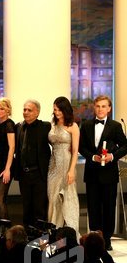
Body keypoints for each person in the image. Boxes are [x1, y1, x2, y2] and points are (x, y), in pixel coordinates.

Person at [78, 95, 127, 251]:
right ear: (94, 107)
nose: (100, 109)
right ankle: (95, 239)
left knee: (108, 207)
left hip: (109, 174)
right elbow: (81, 147)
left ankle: (106, 239)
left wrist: (112, 156)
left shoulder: (115, 126)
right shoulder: (85, 125)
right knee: (93, 207)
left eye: (104, 106)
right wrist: (93, 157)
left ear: (109, 108)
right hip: (92, 172)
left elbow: (125, 146)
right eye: (98, 106)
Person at [14, 99, 52, 229]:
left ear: (37, 113)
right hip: (24, 174)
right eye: (24, 109)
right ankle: (27, 237)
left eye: (29, 110)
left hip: (39, 174)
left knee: (39, 208)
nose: (26, 112)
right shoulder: (18, 127)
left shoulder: (45, 126)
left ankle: (40, 238)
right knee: (26, 207)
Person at [47, 96, 80, 234]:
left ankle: (71, 233)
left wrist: (71, 170)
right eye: (55, 110)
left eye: (60, 110)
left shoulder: (73, 126)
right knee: (52, 198)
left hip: (67, 165)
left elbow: (75, 151)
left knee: (67, 199)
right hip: (53, 165)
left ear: (65, 110)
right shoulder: (52, 124)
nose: (57, 112)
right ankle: (53, 231)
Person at [0, 97, 16, 227]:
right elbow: (2, 143)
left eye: (2, 108)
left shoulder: (9, 124)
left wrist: (7, 169)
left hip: (7, 165)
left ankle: (6, 229)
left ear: (8, 110)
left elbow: (12, 147)